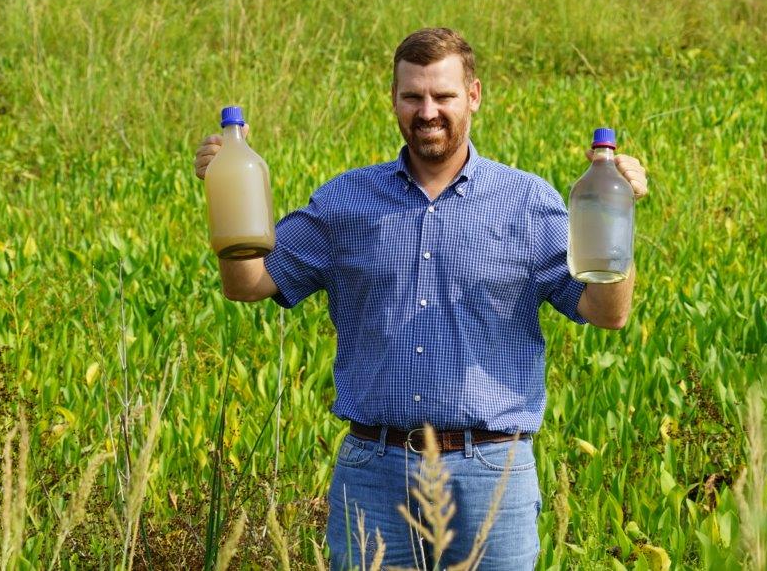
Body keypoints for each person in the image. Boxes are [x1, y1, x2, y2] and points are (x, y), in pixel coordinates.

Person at [193, 28, 648, 570]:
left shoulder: (527, 202)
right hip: (374, 473)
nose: (428, 111)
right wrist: (225, 198)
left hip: (491, 474)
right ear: (394, 100)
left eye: (444, 96)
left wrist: (617, 219)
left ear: (474, 95)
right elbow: (247, 284)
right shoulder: (345, 201)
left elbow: (608, 314)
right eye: (413, 96)